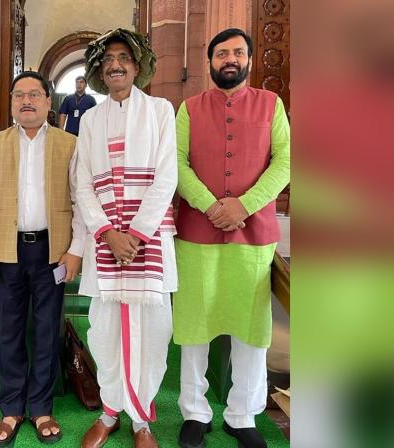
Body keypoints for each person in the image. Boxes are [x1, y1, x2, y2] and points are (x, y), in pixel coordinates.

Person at [174, 28, 291, 448]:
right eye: (221, 53)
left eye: (237, 52)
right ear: (209, 62)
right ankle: (194, 411)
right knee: (194, 325)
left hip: (253, 234)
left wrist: (243, 205)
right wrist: (211, 206)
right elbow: (178, 163)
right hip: (197, 233)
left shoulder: (271, 105)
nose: (229, 59)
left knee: (251, 328)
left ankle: (242, 415)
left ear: (249, 60)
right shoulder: (188, 108)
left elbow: (285, 163)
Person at [0, 70, 85, 446]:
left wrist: (76, 249)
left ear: (50, 103)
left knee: (48, 330)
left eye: (35, 94)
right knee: (11, 329)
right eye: (20, 95)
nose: (27, 101)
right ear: (12, 102)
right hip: (6, 250)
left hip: (52, 250)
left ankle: (41, 407)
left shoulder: (70, 144)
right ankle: (12, 407)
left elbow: (82, 201)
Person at [75, 29, 178, 448]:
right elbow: (83, 183)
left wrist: (134, 234)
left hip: (148, 239)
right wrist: (107, 233)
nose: (115, 64)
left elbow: (167, 175)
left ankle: (141, 421)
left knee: (153, 331)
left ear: (137, 66)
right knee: (103, 330)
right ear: (101, 69)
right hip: (105, 240)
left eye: (124, 57)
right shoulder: (90, 119)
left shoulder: (160, 110)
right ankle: (110, 411)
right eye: (108, 59)